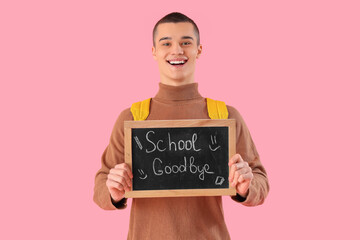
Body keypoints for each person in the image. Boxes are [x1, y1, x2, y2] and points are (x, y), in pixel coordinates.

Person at [93, 12, 269, 240]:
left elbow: (260, 180)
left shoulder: (225, 116)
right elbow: (100, 184)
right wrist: (113, 191)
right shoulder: (133, 118)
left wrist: (247, 187)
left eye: (186, 42)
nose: (177, 50)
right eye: (166, 43)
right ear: (154, 51)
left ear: (199, 49)